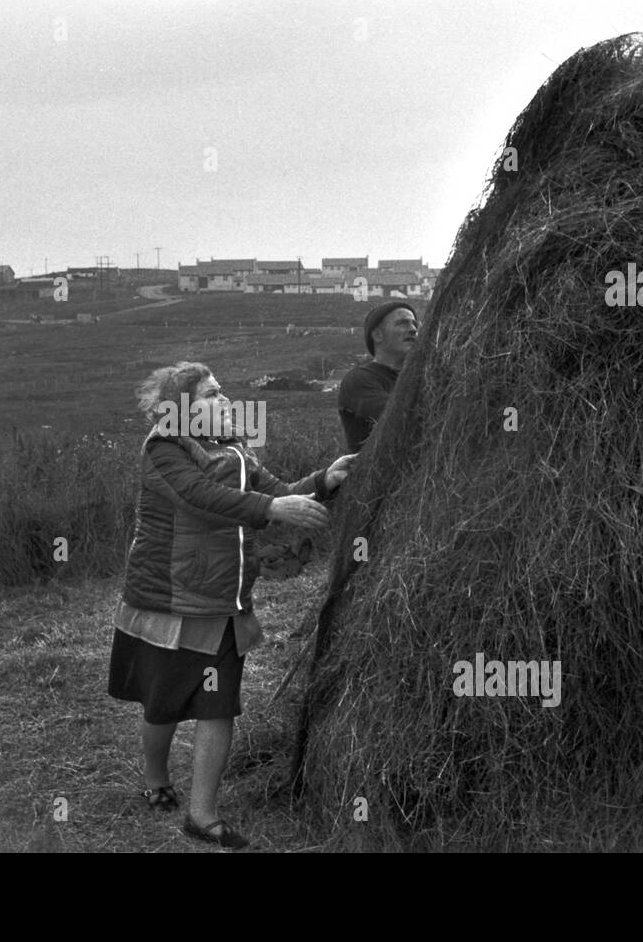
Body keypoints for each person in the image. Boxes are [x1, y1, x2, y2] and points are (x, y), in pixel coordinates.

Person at [109, 361, 357, 849]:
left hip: (226, 598)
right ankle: (156, 778)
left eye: (222, 391)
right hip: (172, 597)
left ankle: (202, 814)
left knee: (218, 704)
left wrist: (324, 480)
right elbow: (201, 497)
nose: (224, 400)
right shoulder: (164, 448)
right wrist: (270, 509)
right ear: (182, 408)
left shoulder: (235, 449)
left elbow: (280, 493)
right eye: (211, 394)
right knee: (163, 701)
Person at [337, 301, 418, 453]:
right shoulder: (359, 380)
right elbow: (399, 419)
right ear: (377, 335)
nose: (413, 329)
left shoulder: (420, 377)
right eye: (402, 323)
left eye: (415, 324)